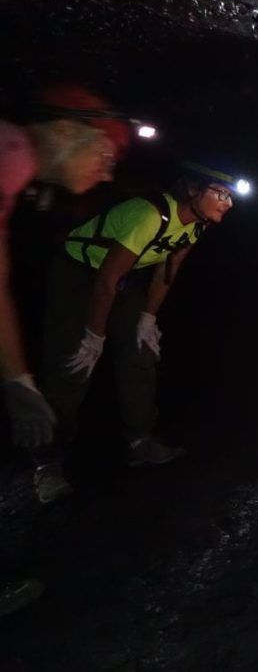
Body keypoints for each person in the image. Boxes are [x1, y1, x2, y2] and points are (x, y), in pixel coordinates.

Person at [32, 160, 244, 503]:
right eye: (221, 193)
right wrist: (94, 336)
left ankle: (140, 441)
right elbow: (105, 280)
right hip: (79, 275)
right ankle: (46, 463)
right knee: (74, 360)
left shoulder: (197, 225)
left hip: (120, 281)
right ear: (193, 190)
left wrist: (148, 318)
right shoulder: (150, 214)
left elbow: (167, 271)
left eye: (232, 197)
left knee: (141, 349)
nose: (228, 203)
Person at [0, 84, 129, 617]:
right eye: (104, 154)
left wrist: (16, 379)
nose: (108, 173)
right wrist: (17, 380)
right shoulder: (10, 155)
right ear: (62, 133)